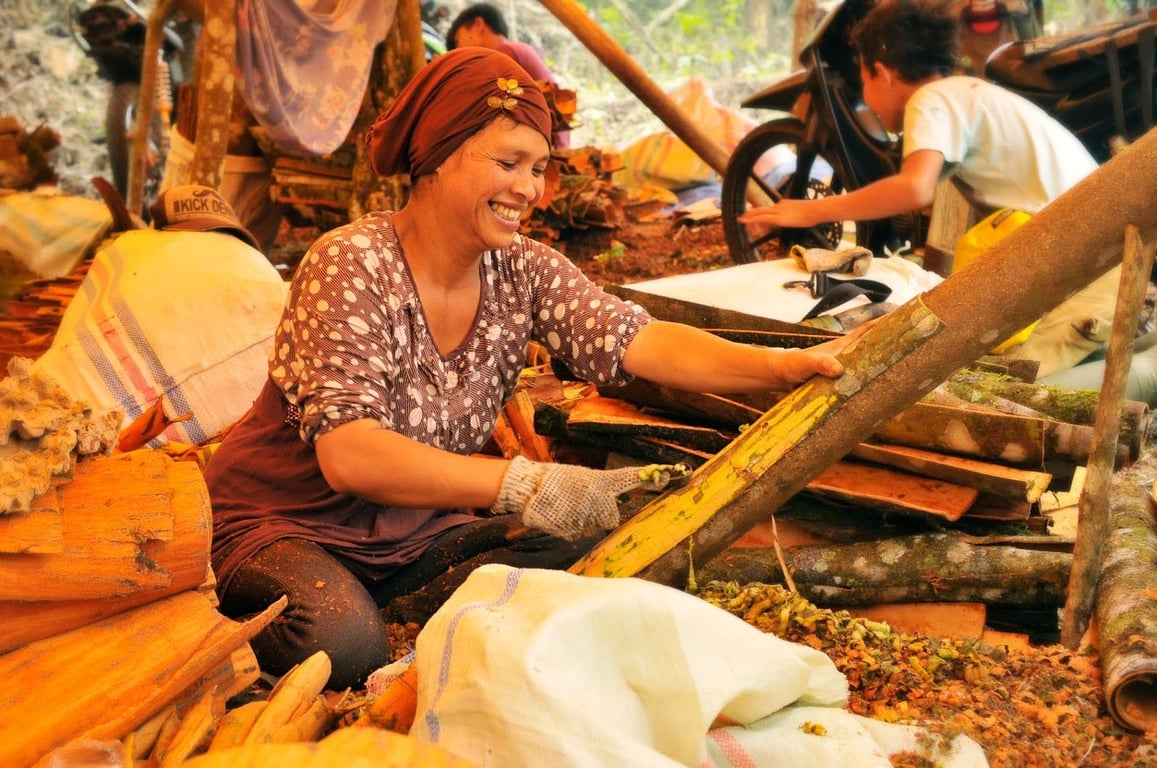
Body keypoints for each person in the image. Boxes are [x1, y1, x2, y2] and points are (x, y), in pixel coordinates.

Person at [203, 47, 861, 690]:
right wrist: (525, 484)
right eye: (508, 162)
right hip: (280, 523)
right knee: (341, 649)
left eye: (538, 167)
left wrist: (778, 367)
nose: (528, 188)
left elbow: (639, 341)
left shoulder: (521, 267)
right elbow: (352, 458)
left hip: (413, 532)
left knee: (590, 546)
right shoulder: (351, 264)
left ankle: (400, 613)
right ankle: (354, 621)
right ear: (435, 153)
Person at [739, 0, 1118, 381]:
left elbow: (913, 189)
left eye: (865, 82)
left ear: (883, 73)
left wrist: (810, 210)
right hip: (1084, 258)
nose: (866, 98)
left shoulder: (931, 100)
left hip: (1086, 273)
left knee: (1006, 388)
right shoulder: (966, 93)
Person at [446, 2, 571, 148]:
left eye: (458, 41)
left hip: (546, 150)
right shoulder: (516, 50)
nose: (458, 53)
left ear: (478, 25)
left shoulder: (506, 52)